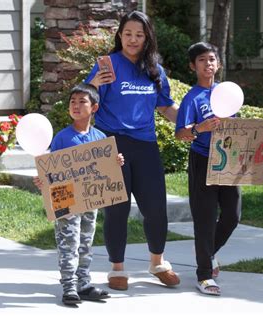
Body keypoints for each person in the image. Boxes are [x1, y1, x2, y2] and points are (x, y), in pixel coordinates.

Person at [85, 10, 186, 291]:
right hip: (111, 143)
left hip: (145, 145)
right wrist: (93, 84)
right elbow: (86, 101)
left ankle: (158, 263)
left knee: (155, 207)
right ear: (119, 36)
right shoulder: (107, 65)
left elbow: (165, 106)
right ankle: (117, 268)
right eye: (127, 33)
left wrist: (192, 121)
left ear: (147, 38)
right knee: (116, 209)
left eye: (139, 35)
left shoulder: (155, 69)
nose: (132, 39)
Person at [33, 83, 125, 305]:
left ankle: (83, 284)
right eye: (72, 102)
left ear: (94, 107)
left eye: (82, 101)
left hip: (90, 201)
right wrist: (44, 181)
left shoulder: (100, 138)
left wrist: (116, 163)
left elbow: (104, 170)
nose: (76, 105)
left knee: (86, 242)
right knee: (68, 242)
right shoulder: (62, 138)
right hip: (66, 199)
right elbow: (53, 169)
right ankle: (69, 287)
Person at [175, 42, 241, 296]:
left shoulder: (227, 93)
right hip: (202, 158)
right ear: (193, 66)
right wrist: (199, 129)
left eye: (212, 59)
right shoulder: (192, 98)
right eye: (202, 60)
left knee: (232, 215)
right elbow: (180, 134)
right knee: (204, 218)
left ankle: (208, 254)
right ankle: (204, 275)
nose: (208, 64)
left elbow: (237, 127)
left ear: (219, 64)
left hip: (228, 159)